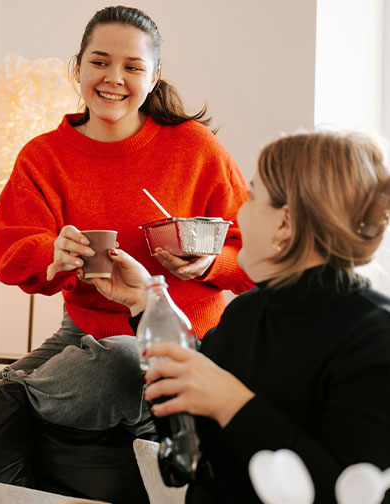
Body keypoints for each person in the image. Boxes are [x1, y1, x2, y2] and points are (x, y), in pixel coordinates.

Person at [91, 130, 390, 502]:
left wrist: (233, 404)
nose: (237, 216)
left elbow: (345, 491)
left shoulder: (376, 339)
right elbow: (188, 413)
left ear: (285, 222)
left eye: (252, 196)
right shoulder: (248, 312)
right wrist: (144, 302)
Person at [0, 5, 253, 374]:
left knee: (116, 368)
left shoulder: (196, 147)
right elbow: (11, 257)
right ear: (78, 67)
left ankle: (19, 393)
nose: (114, 78)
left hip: (187, 339)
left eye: (132, 67)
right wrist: (53, 252)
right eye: (100, 62)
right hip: (85, 338)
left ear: (153, 77)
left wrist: (211, 263)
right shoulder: (42, 156)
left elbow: (256, 257)